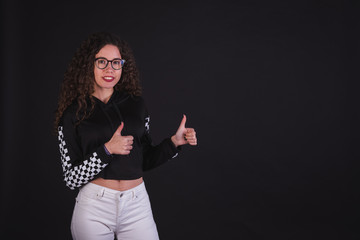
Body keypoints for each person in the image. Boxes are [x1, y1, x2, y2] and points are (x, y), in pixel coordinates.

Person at [54, 32, 197, 240]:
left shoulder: (136, 105)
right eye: (102, 62)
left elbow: (144, 159)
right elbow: (71, 179)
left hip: (136, 204)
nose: (109, 69)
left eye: (116, 62)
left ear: (123, 66)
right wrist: (107, 150)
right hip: (94, 208)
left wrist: (174, 143)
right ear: (89, 65)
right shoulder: (72, 115)